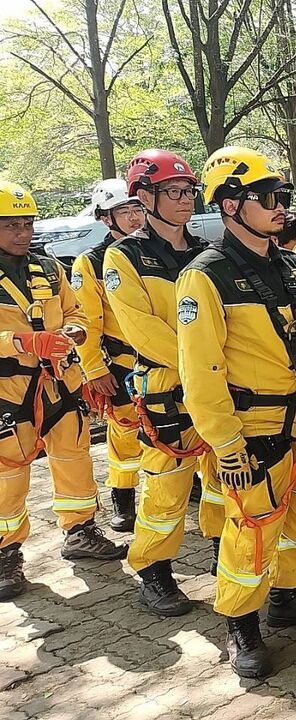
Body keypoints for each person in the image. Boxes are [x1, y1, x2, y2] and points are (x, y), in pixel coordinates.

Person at [179, 146, 296, 678]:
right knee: (251, 531)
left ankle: (289, 594)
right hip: (252, 427)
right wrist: (225, 443)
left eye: (281, 196)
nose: (279, 206)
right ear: (229, 206)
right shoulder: (206, 275)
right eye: (267, 198)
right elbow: (200, 371)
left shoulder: (291, 264)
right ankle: (241, 623)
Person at [105, 149, 222, 616]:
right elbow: (142, 329)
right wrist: (201, 364)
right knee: (165, 486)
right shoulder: (125, 257)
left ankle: (221, 549)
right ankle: (153, 571)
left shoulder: (204, 254)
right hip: (166, 388)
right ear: (145, 197)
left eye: (189, 191)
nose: (185, 200)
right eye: (173, 191)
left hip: (216, 389)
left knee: (221, 480)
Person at [0, 181, 126, 600]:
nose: (22, 233)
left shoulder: (48, 267)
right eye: (11, 225)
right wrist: (21, 342)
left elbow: (74, 311)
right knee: (9, 472)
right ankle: (5, 553)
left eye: (27, 223)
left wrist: (73, 329)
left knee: (74, 457)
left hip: (58, 383)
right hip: (9, 388)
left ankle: (80, 530)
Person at [73, 179, 147, 532]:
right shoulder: (92, 263)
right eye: (124, 212)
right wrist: (93, 369)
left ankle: (185, 482)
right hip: (121, 363)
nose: (134, 218)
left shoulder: (156, 252)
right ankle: (123, 497)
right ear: (105, 218)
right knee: (124, 434)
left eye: (137, 210)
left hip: (160, 359)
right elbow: (87, 322)